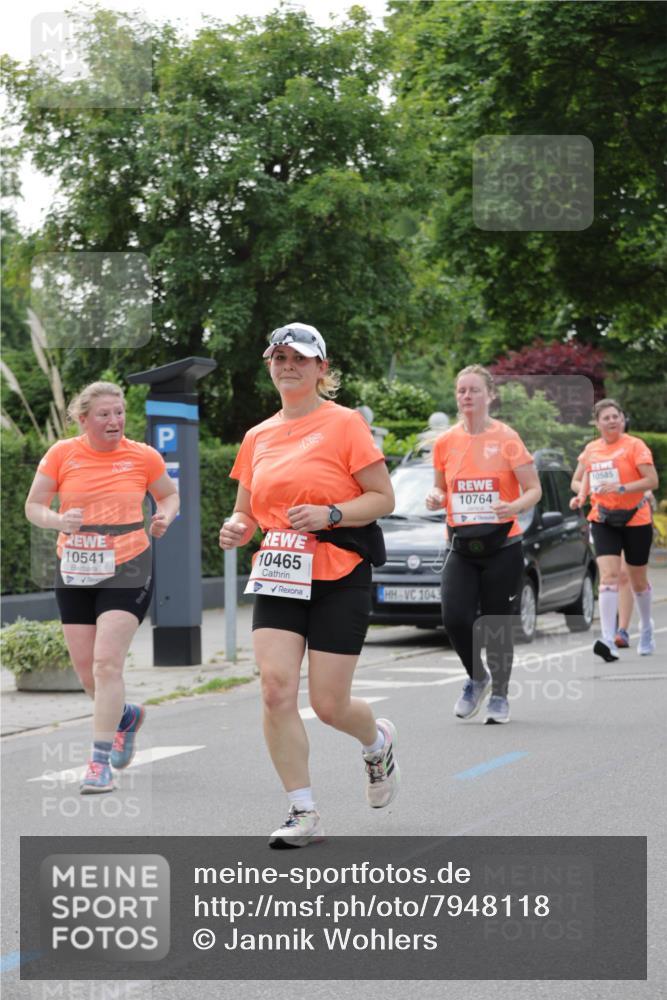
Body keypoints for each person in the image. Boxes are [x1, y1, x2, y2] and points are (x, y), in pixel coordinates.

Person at [219, 323, 397, 848]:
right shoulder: (258, 436)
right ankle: (304, 812)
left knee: (327, 705)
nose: (286, 365)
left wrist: (331, 512)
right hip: (278, 571)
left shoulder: (345, 425)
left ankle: (376, 741)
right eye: (278, 357)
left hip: (340, 571)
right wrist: (237, 529)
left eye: (298, 357)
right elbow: (245, 513)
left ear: (321, 368)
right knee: (275, 690)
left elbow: (381, 497)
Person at [25, 381, 179, 793]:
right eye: (104, 414)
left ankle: (97, 764)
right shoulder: (62, 454)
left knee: (106, 664)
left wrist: (165, 516)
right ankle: (126, 717)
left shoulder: (142, 455)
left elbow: (168, 495)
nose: (115, 421)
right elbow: (34, 505)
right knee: (87, 671)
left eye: (119, 412)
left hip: (127, 566)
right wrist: (58, 521)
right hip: (74, 568)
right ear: (83, 419)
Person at [425, 365, 542, 725]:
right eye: (461, 391)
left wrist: (514, 507)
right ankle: (477, 678)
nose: (467, 397)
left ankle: (501, 696)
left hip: (502, 546)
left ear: (490, 395)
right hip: (460, 545)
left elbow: (533, 489)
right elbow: (441, 489)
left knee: (496, 625)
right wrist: (434, 497)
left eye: (474, 390)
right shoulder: (445, 442)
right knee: (455, 618)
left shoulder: (507, 437)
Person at [570, 398, 658, 661]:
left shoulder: (635, 446)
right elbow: (581, 480)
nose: (612, 421)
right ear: (597, 424)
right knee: (608, 576)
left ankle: (646, 629)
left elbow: (651, 480)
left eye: (615, 417)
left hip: (635, 517)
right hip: (603, 517)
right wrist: (581, 496)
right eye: (606, 418)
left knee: (637, 579)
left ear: (622, 420)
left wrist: (621, 488)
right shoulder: (591, 450)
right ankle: (608, 639)